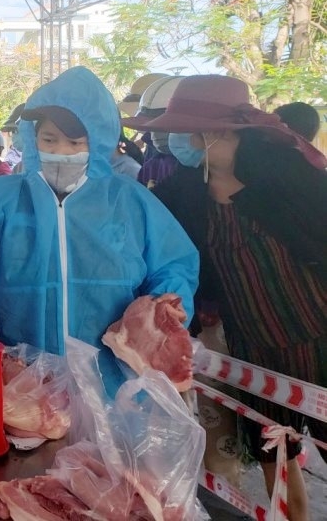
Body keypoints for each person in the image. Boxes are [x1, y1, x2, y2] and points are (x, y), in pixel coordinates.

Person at [0, 67, 199, 396]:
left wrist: (168, 304)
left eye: (75, 142)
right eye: (49, 139)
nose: (60, 151)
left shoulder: (130, 202)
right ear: (33, 140)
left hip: (116, 382)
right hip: (25, 381)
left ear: (99, 141)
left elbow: (173, 263)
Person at [131, 75, 327, 521]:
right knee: (273, 456)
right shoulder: (186, 194)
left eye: (187, 131)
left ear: (217, 132)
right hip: (253, 350)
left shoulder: (290, 180)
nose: (180, 140)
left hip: (318, 340)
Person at [129, 76, 182, 188]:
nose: (155, 133)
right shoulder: (152, 163)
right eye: (153, 125)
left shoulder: (203, 165)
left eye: (163, 125)